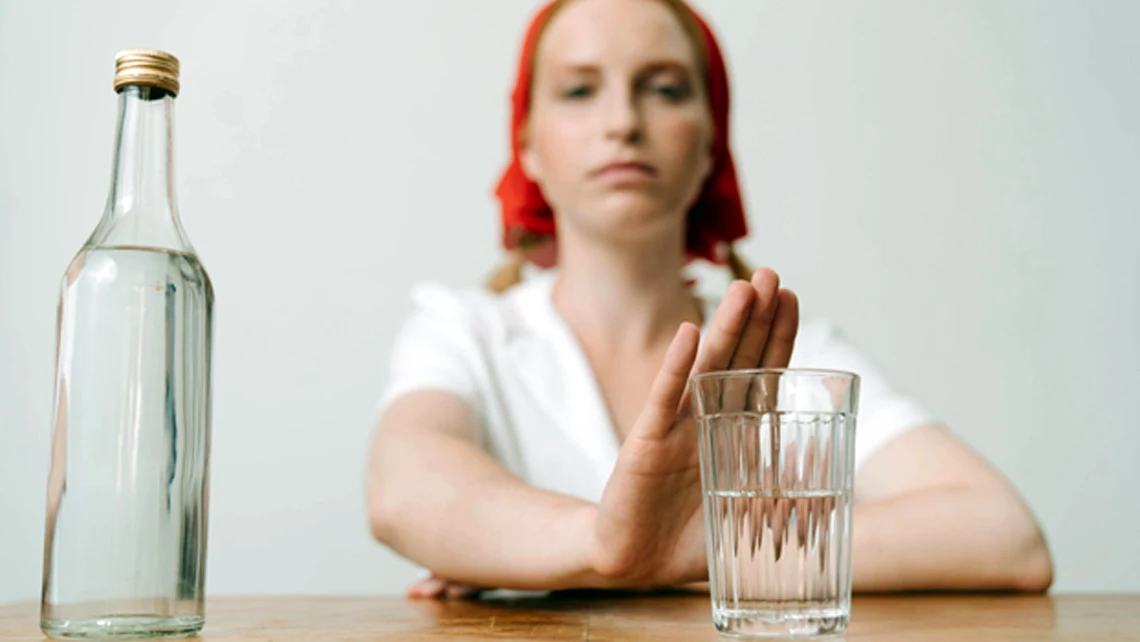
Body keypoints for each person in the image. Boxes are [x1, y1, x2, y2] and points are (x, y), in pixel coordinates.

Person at [366, 0, 1053, 599]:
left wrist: (665, 555)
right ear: (529, 147)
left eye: (664, 89)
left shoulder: (792, 349)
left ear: (710, 147)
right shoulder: (464, 330)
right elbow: (404, 489)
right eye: (579, 91)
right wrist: (611, 544)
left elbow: (1004, 534)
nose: (623, 121)